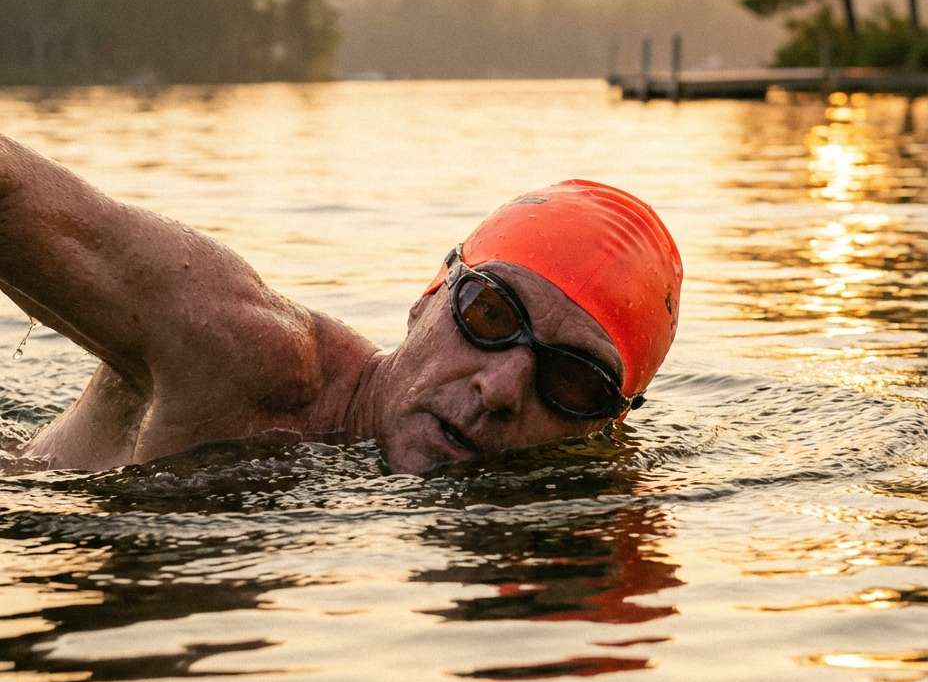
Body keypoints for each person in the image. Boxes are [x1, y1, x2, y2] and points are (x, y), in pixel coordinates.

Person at [0, 133, 682, 475]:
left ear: (608, 427)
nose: (501, 388)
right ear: (428, 298)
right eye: (491, 316)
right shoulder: (242, 354)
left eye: (572, 380)